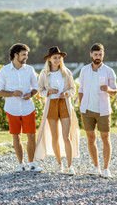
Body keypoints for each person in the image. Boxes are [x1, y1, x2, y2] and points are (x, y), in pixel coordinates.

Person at [0, 43, 42, 173]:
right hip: (12, 108)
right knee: (16, 136)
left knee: (31, 135)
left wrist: (31, 94)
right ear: (15, 55)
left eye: (26, 55)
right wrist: (12, 93)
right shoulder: (4, 71)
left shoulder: (30, 69)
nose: (26, 57)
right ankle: (21, 164)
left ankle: (32, 163)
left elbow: (36, 88)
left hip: (28, 107)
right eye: (24, 55)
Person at [35, 46, 80, 176]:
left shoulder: (66, 73)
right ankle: (59, 164)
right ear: (49, 59)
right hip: (51, 105)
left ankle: (70, 166)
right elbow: (40, 91)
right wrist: (48, 92)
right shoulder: (44, 74)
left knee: (66, 136)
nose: (57, 60)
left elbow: (73, 89)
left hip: (64, 104)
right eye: (55, 58)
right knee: (55, 137)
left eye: (59, 58)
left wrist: (66, 93)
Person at [78, 43, 117, 178]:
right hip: (87, 109)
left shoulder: (109, 71)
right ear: (91, 54)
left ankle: (106, 169)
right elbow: (81, 89)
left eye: (100, 54)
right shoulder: (84, 70)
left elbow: (115, 91)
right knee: (90, 139)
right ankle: (96, 167)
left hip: (103, 110)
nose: (98, 57)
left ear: (103, 55)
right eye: (95, 54)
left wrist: (109, 90)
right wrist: (80, 105)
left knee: (105, 139)